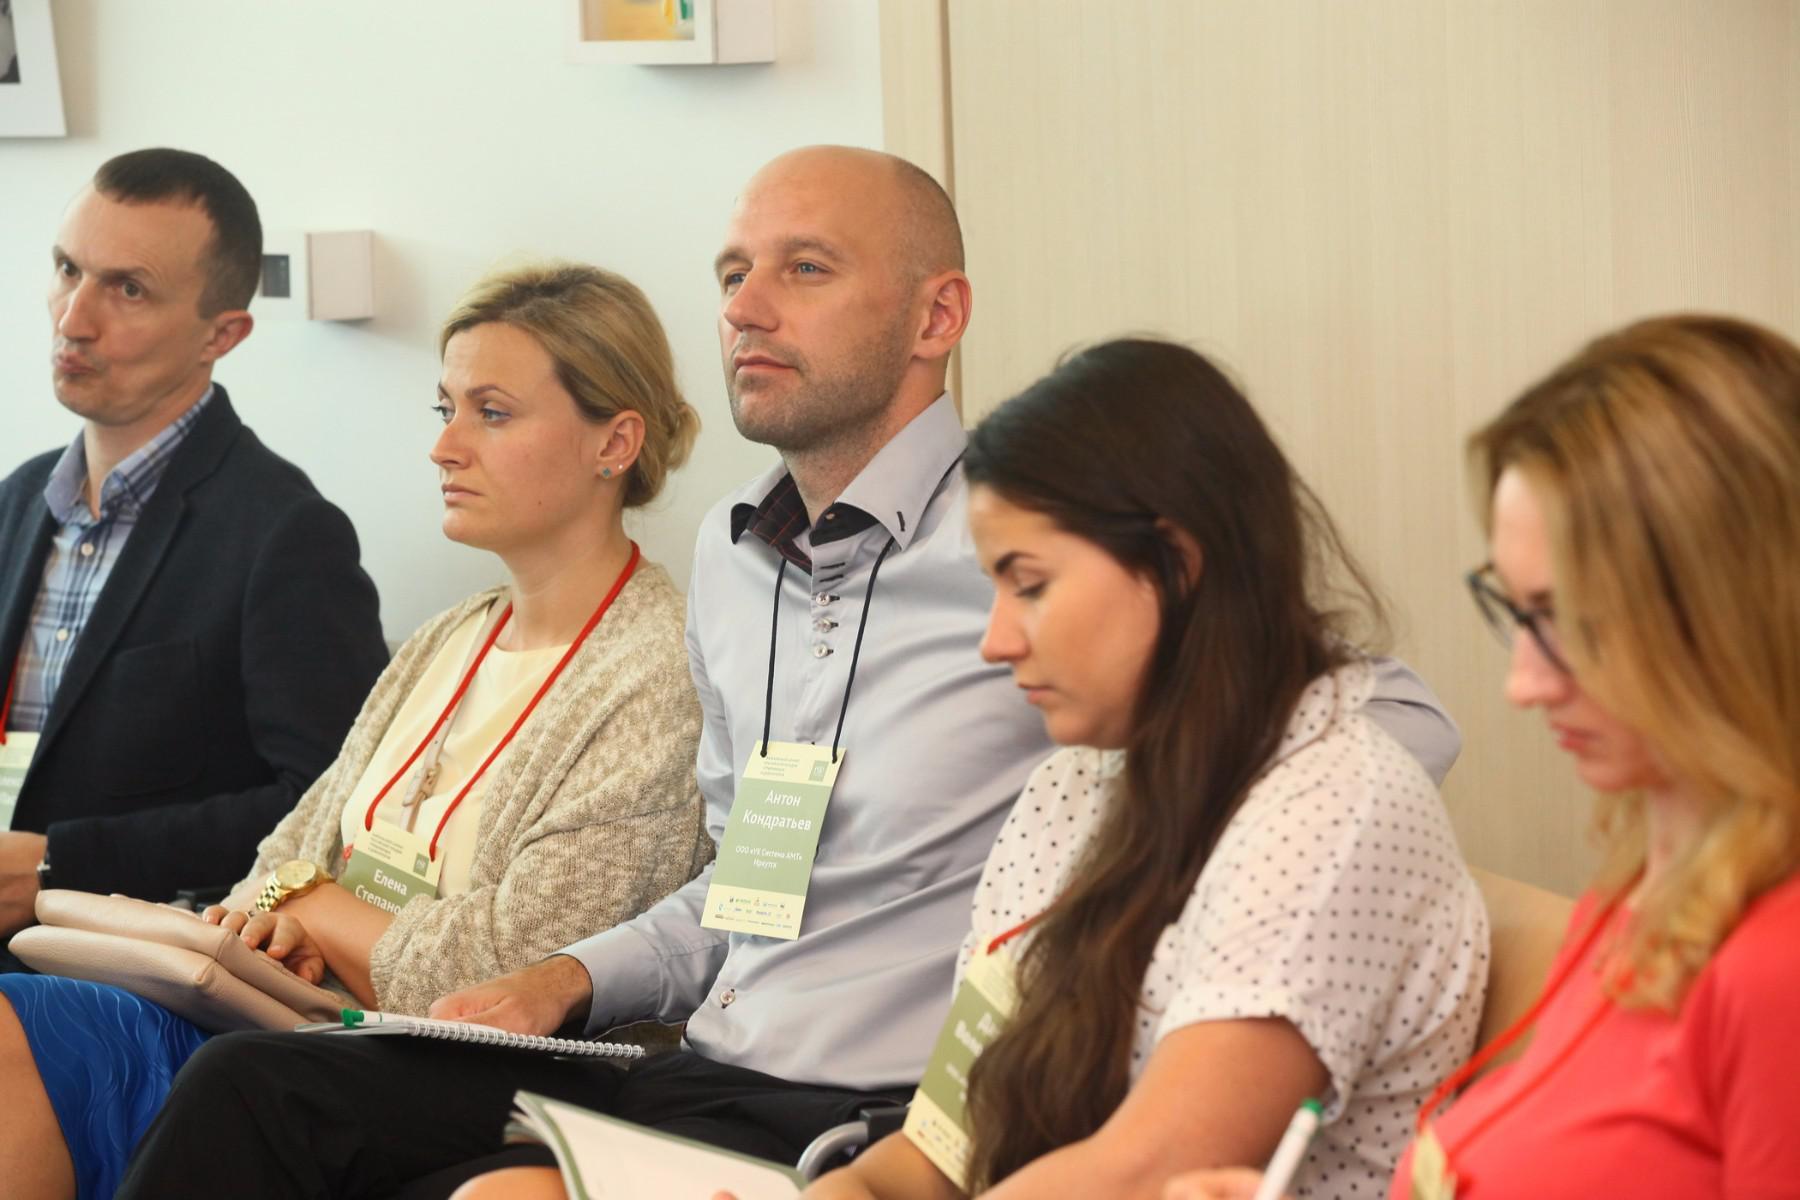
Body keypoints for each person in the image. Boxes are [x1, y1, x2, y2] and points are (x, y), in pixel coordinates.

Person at [116, 147, 1463, 1200]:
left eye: (804, 269)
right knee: (258, 1094)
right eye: (731, 273)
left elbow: (1343, 718)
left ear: (938, 314)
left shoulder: (1038, 542)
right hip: (708, 1058)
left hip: (877, 1098)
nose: (745, 308)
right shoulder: (731, 554)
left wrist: (1188, 822)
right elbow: (750, 875)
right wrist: (570, 978)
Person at [0, 261, 713, 1200]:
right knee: (17, 1011)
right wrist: (278, 924)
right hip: (314, 1019)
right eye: (445, 409)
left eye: (491, 413)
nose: (444, 447)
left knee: (207, 1074)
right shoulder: (449, 637)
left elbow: (510, 973)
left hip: (492, 1068)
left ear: (614, 442)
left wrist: (316, 907)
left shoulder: (661, 669)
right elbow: (278, 862)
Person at [1164, 314, 1800, 1200]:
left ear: (1731, 608)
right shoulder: (1648, 885)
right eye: (1516, 612)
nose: (1523, 683)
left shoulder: (1775, 973)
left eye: (1570, 622)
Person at [0, 148, 387, 946]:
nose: (73, 319)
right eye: (68, 270)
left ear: (223, 333)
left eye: (128, 289)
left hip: (122, 962)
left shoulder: (286, 533)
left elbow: (329, 806)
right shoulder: (17, 499)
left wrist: (60, 863)